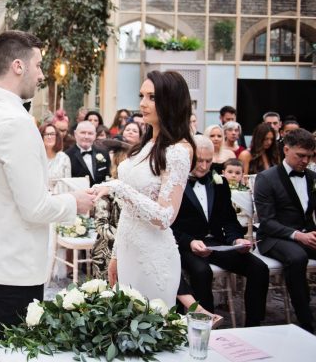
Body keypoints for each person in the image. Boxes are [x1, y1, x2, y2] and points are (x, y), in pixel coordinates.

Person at [0, 30, 94, 338]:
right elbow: (34, 207)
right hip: (15, 266)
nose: (41, 74)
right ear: (18, 66)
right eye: (38, 65)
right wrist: (75, 202)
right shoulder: (14, 123)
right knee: (12, 350)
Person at [94, 70, 195, 304]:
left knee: (148, 330)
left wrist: (119, 188)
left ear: (170, 101)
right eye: (142, 96)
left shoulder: (178, 152)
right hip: (128, 250)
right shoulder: (145, 146)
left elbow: (164, 216)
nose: (143, 103)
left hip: (153, 256)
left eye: (152, 97)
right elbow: (129, 213)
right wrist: (117, 254)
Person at [171, 135, 268, 327]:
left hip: (216, 243)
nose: (205, 166)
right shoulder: (174, 183)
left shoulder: (219, 182)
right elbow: (170, 225)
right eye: (199, 160)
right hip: (186, 246)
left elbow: (229, 220)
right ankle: (205, 326)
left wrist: (236, 241)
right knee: (201, 272)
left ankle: (253, 325)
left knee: (259, 268)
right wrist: (189, 242)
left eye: (209, 161)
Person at [254, 128, 316, 332]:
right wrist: (299, 236)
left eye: (309, 156)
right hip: (273, 237)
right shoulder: (266, 178)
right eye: (301, 156)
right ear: (286, 149)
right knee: (297, 257)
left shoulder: (312, 177)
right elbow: (267, 222)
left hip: (306, 233)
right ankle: (305, 321)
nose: (305, 161)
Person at [65, 120, 111, 185]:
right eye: (83, 133)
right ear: (75, 134)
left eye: (90, 133)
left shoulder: (103, 152)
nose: (86, 136)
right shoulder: (67, 156)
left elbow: (108, 176)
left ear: (95, 135)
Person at [40, 122, 71, 194]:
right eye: (46, 134)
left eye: (52, 134)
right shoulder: (37, 158)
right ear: (41, 137)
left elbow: (67, 184)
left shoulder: (64, 158)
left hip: (60, 198)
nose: (49, 137)